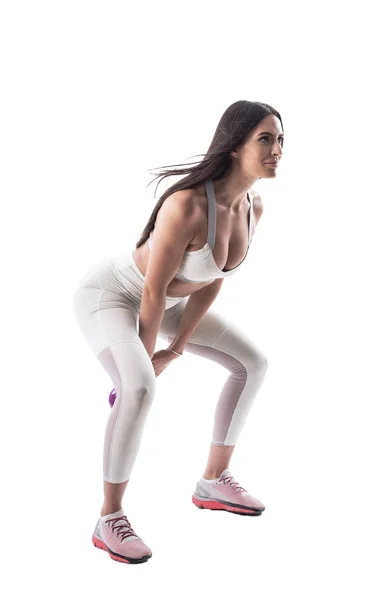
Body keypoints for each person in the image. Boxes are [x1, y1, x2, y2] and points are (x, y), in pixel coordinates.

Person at [72, 100, 284, 564]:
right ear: (234, 146)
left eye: (281, 140)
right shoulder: (187, 204)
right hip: (114, 293)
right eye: (265, 139)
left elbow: (211, 282)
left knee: (254, 362)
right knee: (141, 390)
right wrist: (147, 365)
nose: (277, 150)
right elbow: (151, 292)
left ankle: (214, 479)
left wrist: (178, 348)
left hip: (170, 301)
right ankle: (109, 519)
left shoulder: (253, 206)